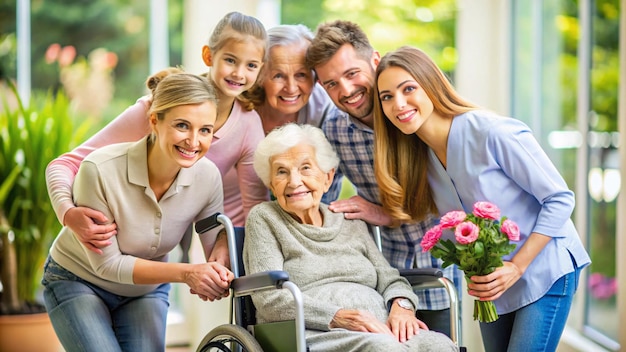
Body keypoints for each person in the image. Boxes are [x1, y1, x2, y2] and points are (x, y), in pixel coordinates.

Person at [373, 45, 591, 351]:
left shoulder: (492, 132)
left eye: (408, 88)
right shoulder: (419, 160)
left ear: (432, 85)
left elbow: (559, 199)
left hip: (545, 269)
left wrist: (516, 267)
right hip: (493, 285)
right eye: (387, 97)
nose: (399, 103)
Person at [45, 11, 269, 260]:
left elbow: (254, 209)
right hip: (107, 243)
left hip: (168, 239)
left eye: (250, 65)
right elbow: (64, 164)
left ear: (260, 69)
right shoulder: (157, 108)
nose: (239, 73)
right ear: (208, 56)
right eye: (230, 60)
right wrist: (67, 213)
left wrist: (225, 242)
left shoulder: (248, 126)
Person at [42, 71, 235, 352]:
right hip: (78, 279)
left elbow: (212, 242)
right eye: (183, 126)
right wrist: (188, 273)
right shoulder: (100, 169)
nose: (194, 141)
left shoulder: (208, 177)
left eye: (205, 130)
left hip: (145, 290)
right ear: (154, 121)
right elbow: (108, 265)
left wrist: (218, 270)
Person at [305, 19, 459, 336]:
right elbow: (321, 202)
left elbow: (458, 196)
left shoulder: (416, 111)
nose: (345, 91)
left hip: (442, 270)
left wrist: (384, 214)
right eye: (331, 84)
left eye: (351, 74)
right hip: (387, 277)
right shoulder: (333, 129)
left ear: (375, 61)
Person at [244, 123, 457, 352]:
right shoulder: (264, 218)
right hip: (314, 332)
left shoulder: (349, 220)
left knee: (439, 345)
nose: (294, 182)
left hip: (381, 327)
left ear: (328, 178)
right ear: (271, 185)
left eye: (305, 168)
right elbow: (269, 300)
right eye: (282, 171)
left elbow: (390, 278)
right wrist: (337, 316)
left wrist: (401, 305)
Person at [244, 24, 336, 135]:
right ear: (259, 77)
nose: (291, 89)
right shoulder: (237, 106)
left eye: (301, 75)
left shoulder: (326, 111)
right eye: (278, 76)